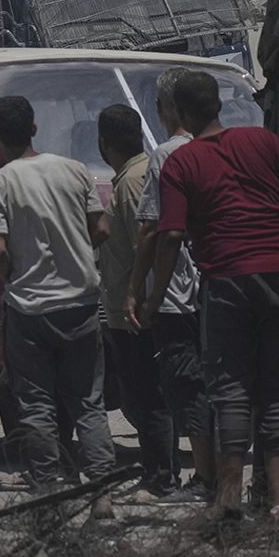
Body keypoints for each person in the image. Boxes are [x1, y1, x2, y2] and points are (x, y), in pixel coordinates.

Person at [147, 70, 279, 521]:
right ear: (219, 105)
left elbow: (171, 235)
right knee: (276, 394)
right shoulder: (263, 141)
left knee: (231, 392)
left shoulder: (181, 163)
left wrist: (152, 301)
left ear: (180, 112)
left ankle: (227, 501)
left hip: (228, 279)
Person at [0, 95, 114, 513]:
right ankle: (103, 496)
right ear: (34, 128)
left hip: (29, 310)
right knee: (88, 403)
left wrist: (15, 274)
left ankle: (49, 494)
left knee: (36, 405)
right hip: (81, 304)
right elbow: (102, 228)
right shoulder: (74, 170)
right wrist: (75, 251)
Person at [131, 67, 213, 504]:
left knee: (186, 384)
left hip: (177, 294)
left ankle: (204, 477)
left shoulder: (165, 156)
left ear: (166, 108)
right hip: (216, 287)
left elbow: (154, 231)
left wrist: (140, 290)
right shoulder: (217, 148)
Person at [96, 104, 175, 499]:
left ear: (103, 143)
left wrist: (136, 298)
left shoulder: (130, 183)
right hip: (140, 305)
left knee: (146, 395)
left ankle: (160, 478)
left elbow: (142, 245)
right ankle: (159, 472)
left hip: (134, 311)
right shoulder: (143, 172)